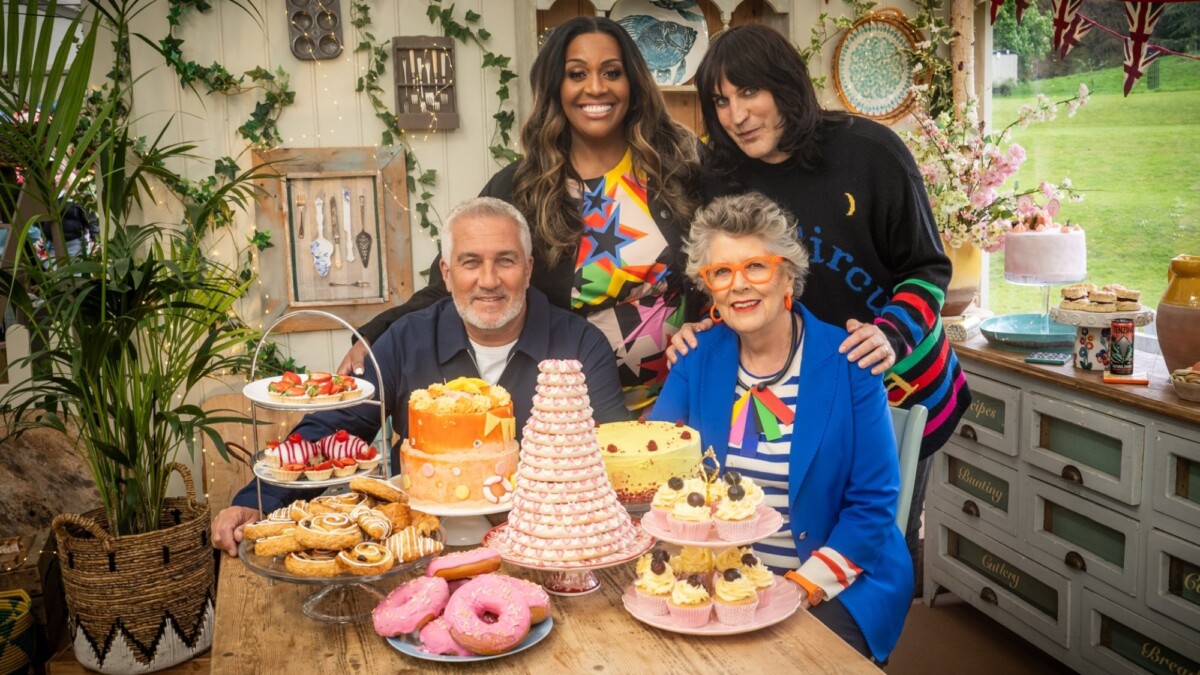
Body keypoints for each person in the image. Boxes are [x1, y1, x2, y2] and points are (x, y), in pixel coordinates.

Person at [670, 23, 971, 577]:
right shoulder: (723, 175)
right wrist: (696, 325)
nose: (737, 116)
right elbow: (717, 269)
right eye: (721, 101)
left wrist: (890, 334)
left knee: (871, 542)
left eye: (750, 93)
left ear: (786, 88)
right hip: (794, 391)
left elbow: (928, 268)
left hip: (893, 383)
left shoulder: (871, 153)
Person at [211, 197, 629, 555]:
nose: (488, 280)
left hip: (549, 545)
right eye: (471, 263)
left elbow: (612, 456)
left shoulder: (581, 346)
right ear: (446, 274)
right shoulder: (406, 339)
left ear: (529, 268)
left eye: (505, 261)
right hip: (418, 544)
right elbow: (333, 430)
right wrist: (258, 501)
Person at [339, 16, 701, 414]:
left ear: (632, 83)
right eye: (576, 74)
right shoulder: (520, 187)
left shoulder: (679, 169)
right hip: (568, 417)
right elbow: (450, 284)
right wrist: (375, 333)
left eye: (611, 72)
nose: (596, 87)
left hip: (677, 402)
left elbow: (723, 261)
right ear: (554, 88)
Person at [650, 193, 912, 662]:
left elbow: (872, 506)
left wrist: (799, 587)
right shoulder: (694, 358)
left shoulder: (851, 361)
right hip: (721, 581)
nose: (738, 286)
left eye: (756, 267)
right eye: (721, 272)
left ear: (788, 274)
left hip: (835, 582)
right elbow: (656, 465)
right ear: (708, 288)